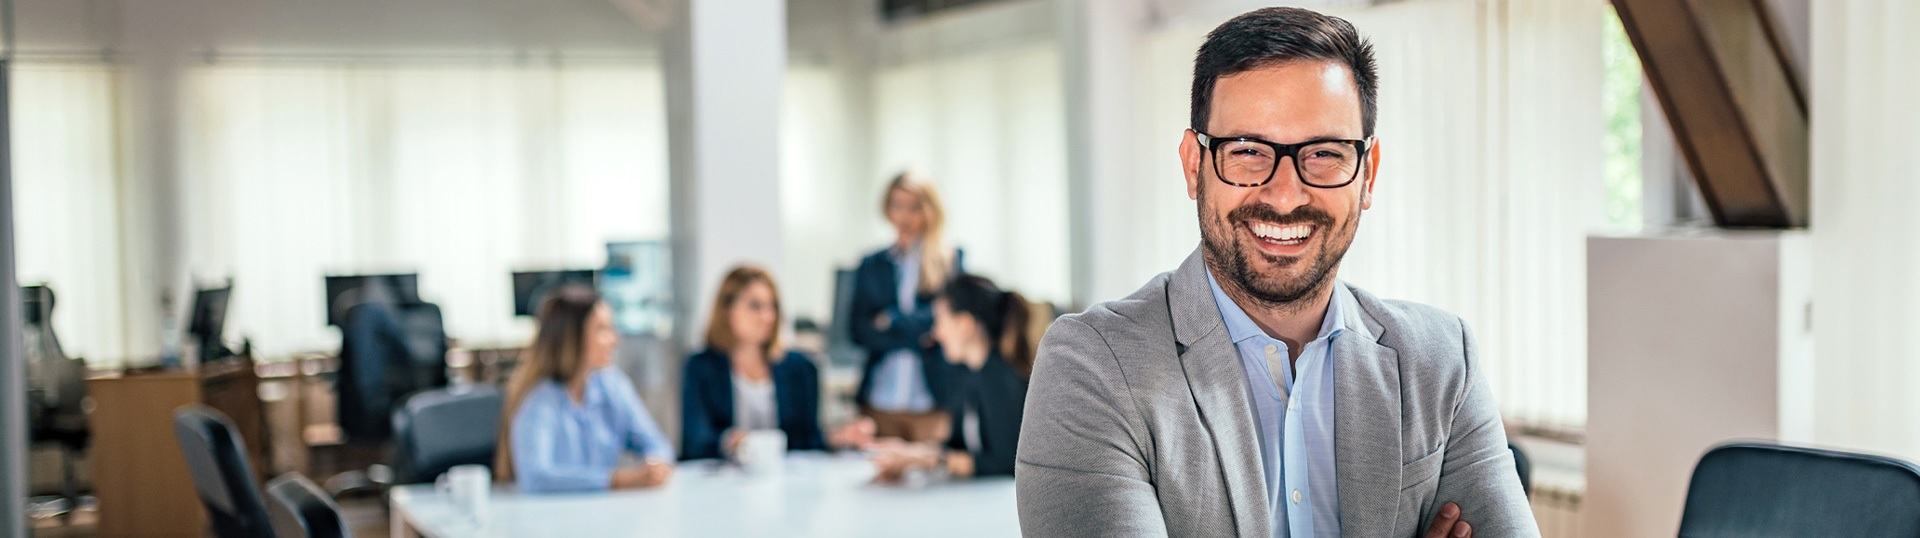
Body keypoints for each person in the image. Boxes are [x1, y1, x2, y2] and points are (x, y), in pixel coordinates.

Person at [1016, 7, 1536, 538]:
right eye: (1247, 151)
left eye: (1325, 154)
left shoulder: (1442, 360)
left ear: (1368, 173)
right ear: (1195, 167)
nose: (1285, 196)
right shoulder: (1092, 367)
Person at [495, 285, 675, 493]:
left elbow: (657, 444)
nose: (615, 340)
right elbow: (536, 477)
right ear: (572, 338)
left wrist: (655, 465)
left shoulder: (613, 385)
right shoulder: (540, 402)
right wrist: (616, 480)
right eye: (603, 329)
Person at [682, 265, 857, 461]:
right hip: (724, 479)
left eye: (772, 306)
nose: (767, 317)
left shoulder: (801, 368)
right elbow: (694, 442)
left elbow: (807, 440)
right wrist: (730, 441)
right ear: (727, 309)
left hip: (786, 478)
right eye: (755, 306)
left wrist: (835, 438)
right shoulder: (701, 367)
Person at [871, 275, 1034, 482]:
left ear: (965, 324)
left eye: (940, 321)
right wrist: (909, 453)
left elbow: (1003, 463)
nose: (936, 333)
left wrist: (925, 460)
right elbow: (957, 446)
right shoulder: (966, 376)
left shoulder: (1001, 379)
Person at [851, 172, 965, 443]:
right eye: (896, 205)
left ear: (928, 210)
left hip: (931, 402)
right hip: (880, 402)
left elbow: (944, 322)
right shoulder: (872, 265)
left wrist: (889, 321)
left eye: (914, 207)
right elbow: (858, 330)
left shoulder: (948, 261)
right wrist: (919, 334)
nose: (903, 216)